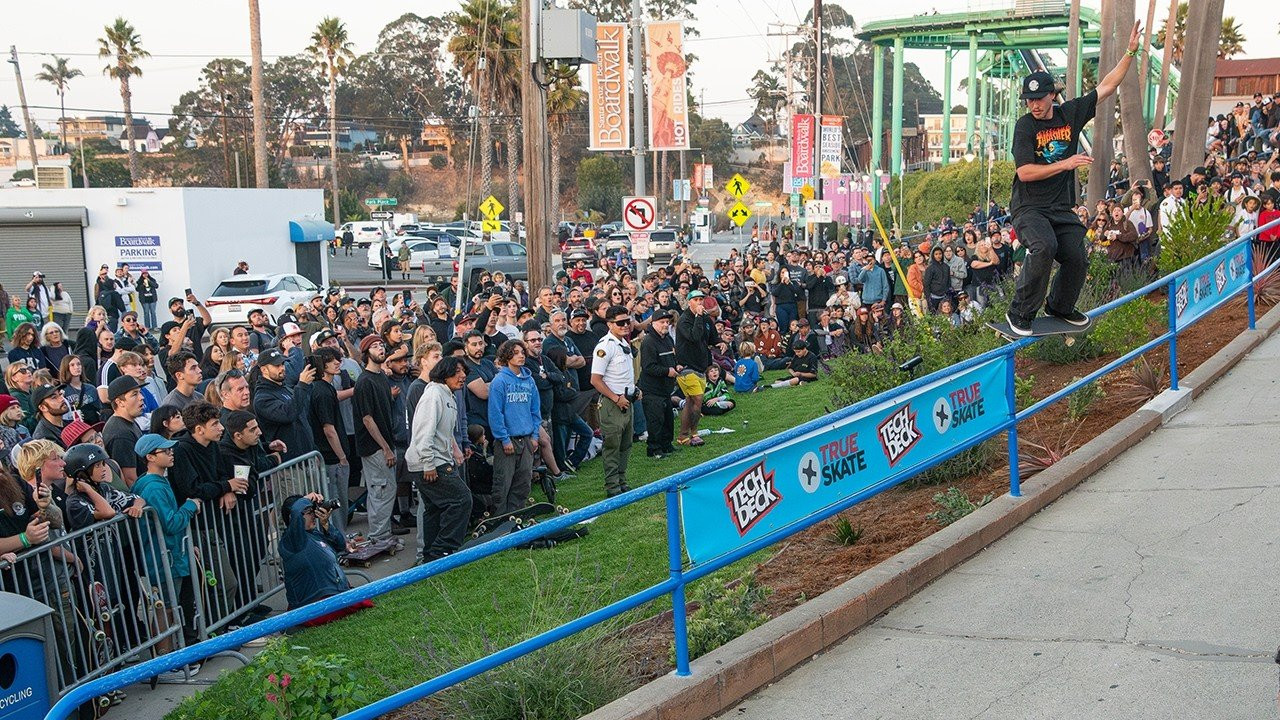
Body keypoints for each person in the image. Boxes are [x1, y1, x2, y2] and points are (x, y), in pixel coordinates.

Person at [1004, 21, 1141, 336]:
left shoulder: (1071, 113)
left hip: (1060, 209)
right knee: (1044, 247)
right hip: (1029, 208)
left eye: (1039, 99)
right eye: (1029, 100)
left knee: (1077, 256)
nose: (1034, 106)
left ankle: (1060, 307)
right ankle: (1019, 312)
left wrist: (1130, 52)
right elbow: (1024, 172)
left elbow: (1107, 86)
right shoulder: (1025, 127)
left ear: (1053, 95)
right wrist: (1065, 164)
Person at [132, 433, 201, 647]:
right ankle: (164, 657)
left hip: (168, 556)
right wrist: (190, 506)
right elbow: (170, 523)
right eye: (166, 451)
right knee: (166, 608)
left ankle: (168, 655)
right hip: (164, 559)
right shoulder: (153, 487)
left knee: (170, 606)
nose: (171, 454)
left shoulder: (156, 481)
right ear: (150, 457)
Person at [406, 356, 471, 561]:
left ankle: (431, 556)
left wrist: (453, 451)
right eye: (457, 372)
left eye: (464, 372)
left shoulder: (447, 395)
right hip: (429, 463)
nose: (462, 376)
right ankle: (444, 549)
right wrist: (428, 463)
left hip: (436, 460)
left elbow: (443, 432)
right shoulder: (434, 395)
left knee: (434, 508)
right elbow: (423, 431)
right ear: (445, 373)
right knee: (462, 500)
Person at [278, 494, 373, 625]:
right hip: (312, 607)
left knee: (364, 598)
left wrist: (326, 525)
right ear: (294, 517)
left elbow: (341, 546)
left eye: (313, 511)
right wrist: (306, 498)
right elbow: (295, 510)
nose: (314, 516)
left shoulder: (314, 534)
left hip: (332, 596)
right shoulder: (292, 540)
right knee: (363, 600)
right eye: (308, 512)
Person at [591, 305, 639, 497]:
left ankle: (621, 480)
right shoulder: (605, 346)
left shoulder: (623, 343)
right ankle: (612, 486)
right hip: (613, 403)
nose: (626, 325)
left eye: (628, 321)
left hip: (627, 400)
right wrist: (615, 398)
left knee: (626, 444)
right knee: (612, 446)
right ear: (609, 324)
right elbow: (595, 379)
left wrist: (635, 390)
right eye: (620, 323)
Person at [487, 340, 540, 514]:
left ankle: (517, 516)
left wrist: (534, 437)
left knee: (523, 481)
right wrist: (503, 438)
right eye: (516, 352)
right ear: (507, 356)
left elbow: (535, 410)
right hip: (507, 441)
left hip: (527, 439)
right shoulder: (499, 381)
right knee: (503, 483)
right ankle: (499, 521)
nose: (521, 355)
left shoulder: (529, 380)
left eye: (522, 352)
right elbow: (495, 413)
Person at [354, 335, 398, 541]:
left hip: (387, 443)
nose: (380, 348)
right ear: (366, 353)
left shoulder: (381, 377)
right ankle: (378, 537)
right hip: (374, 447)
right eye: (374, 346)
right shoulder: (364, 382)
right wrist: (385, 448)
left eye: (381, 345)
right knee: (381, 491)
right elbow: (367, 419)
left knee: (386, 490)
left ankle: (383, 535)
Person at [253, 347, 315, 461]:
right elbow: (288, 414)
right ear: (264, 370)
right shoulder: (262, 398)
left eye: (282, 364)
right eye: (277, 365)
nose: (282, 368)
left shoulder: (285, 388)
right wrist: (302, 385)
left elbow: (302, 416)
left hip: (307, 457)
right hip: (290, 465)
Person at [674, 290, 712, 447]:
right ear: (689, 302)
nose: (700, 302)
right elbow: (695, 336)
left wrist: (719, 342)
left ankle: (682, 436)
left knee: (690, 402)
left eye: (701, 299)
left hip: (700, 365)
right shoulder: (684, 320)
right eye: (696, 299)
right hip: (687, 367)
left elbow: (709, 336)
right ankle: (694, 433)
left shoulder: (704, 317)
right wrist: (698, 317)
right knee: (697, 400)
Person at [638, 310, 678, 458]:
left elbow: (673, 357)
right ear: (653, 323)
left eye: (667, 322)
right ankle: (654, 449)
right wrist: (667, 371)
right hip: (652, 389)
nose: (665, 324)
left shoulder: (668, 339)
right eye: (662, 322)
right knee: (656, 420)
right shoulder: (648, 342)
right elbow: (648, 366)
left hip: (666, 388)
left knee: (668, 418)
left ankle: (667, 445)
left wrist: (676, 365)